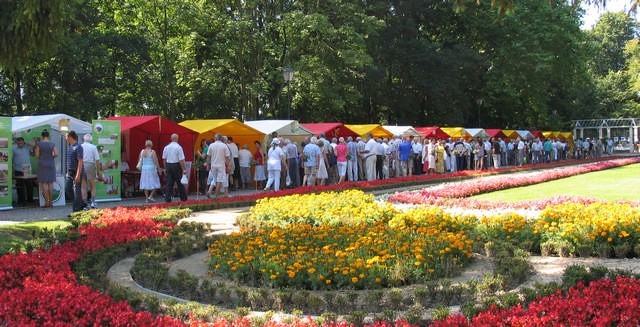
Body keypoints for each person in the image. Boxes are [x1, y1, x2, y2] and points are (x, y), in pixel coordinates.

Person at [34, 130, 58, 207]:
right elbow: (56, 153)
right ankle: (51, 202)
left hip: (42, 163)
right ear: (48, 136)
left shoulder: (39, 144)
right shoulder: (52, 144)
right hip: (50, 163)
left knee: (44, 183)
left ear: (42, 136)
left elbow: (37, 155)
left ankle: (46, 202)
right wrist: (51, 157)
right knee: (50, 183)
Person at [162, 133, 188, 203]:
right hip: (176, 165)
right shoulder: (178, 147)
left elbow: (164, 159)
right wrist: (184, 169)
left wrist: (165, 168)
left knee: (169, 183)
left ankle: (167, 198)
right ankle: (183, 198)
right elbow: (181, 160)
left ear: (171, 139)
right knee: (180, 182)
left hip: (168, 165)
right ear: (177, 139)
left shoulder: (166, 147)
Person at [65, 130, 85, 212]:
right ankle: (81, 203)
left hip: (76, 171)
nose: (65, 138)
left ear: (70, 137)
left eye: (66, 136)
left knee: (77, 191)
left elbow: (80, 161)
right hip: (70, 172)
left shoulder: (78, 147)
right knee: (68, 188)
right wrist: (67, 172)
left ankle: (76, 210)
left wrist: (78, 175)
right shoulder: (70, 147)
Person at [206, 134, 230, 199]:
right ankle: (217, 195)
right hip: (221, 165)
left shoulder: (211, 145)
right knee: (219, 180)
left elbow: (208, 156)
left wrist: (208, 165)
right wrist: (227, 166)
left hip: (213, 165)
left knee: (215, 179)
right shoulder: (224, 145)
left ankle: (210, 192)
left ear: (215, 138)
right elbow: (227, 157)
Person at [81, 134, 101, 208]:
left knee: (83, 186)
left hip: (82, 165)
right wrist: (98, 171)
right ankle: (93, 202)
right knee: (92, 185)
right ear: (91, 140)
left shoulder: (81, 146)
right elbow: (97, 160)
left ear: (84, 139)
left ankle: (85, 204)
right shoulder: (93, 147)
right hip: (91, 165)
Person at [12, 137, 34, 207]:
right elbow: (10, 158)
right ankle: (21, 200)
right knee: (19, 186)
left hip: (27, 169)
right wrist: (13, 168)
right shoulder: (13, 148)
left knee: (29, 185)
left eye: (21, 143)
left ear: (23, 142)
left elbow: (34, 146)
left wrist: (26, 143)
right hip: (18, 169)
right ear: (16, 142)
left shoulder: (27, 147)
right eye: (18, 143)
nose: (20, 144)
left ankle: (30, 200)